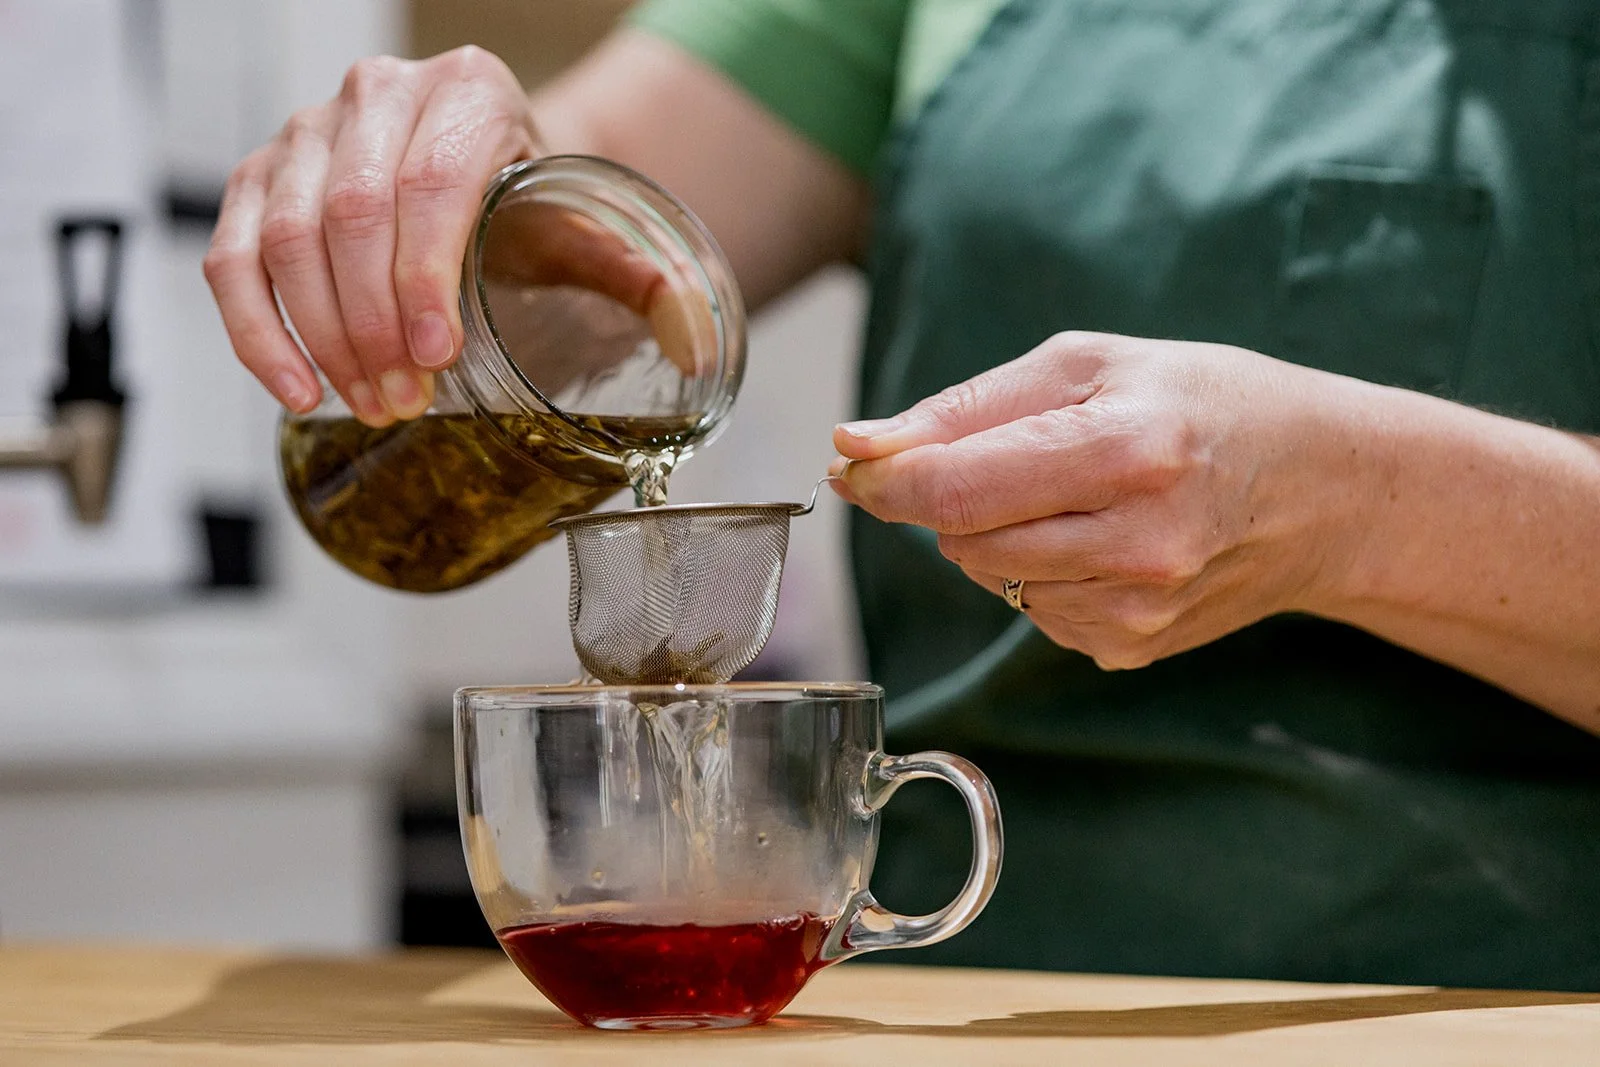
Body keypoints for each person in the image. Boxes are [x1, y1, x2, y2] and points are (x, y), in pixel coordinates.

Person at [205, 0, 1600, 989]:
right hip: (943, 998)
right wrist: (432, 208)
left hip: (1488, 1009)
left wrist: (1357, 503)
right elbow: (592, 257)